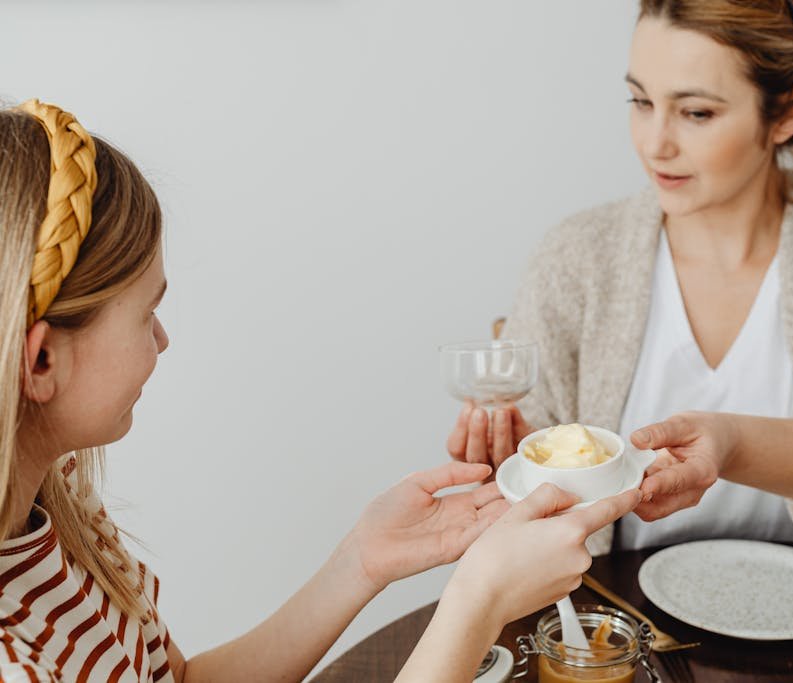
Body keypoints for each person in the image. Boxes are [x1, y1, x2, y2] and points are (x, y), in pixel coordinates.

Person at [0, 100, 641, 682]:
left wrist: (363, 560)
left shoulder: (60, 515)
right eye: (146, 314)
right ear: (42, 360)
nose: (163, 341)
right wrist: (478, 602)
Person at [448, 0, 793, 563]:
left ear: (786, 112)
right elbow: (535, 472)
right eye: (641, 102)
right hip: (622, 619)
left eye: (696, 113)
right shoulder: (577, 254)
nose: (654, 143)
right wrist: (514, 465)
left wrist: (728, 444)